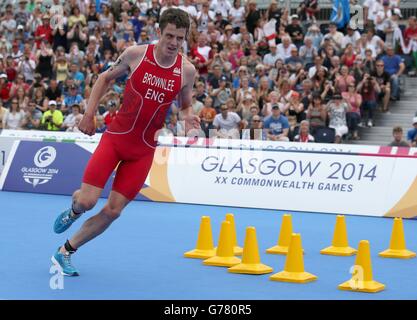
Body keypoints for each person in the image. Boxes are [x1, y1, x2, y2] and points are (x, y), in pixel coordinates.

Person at [51, 8, 199, 276]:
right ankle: (74, 210)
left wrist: (189, 118)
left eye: (180, 37)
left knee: (113, 211)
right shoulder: (136, 54)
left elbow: (185, 106)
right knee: (87, 202)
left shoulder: (187, 71)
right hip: (116, 139)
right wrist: (89, 114)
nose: (174, 43)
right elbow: (104, 79)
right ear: (159, 32)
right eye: (169, 36)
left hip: (143, 151)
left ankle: (65, 251)